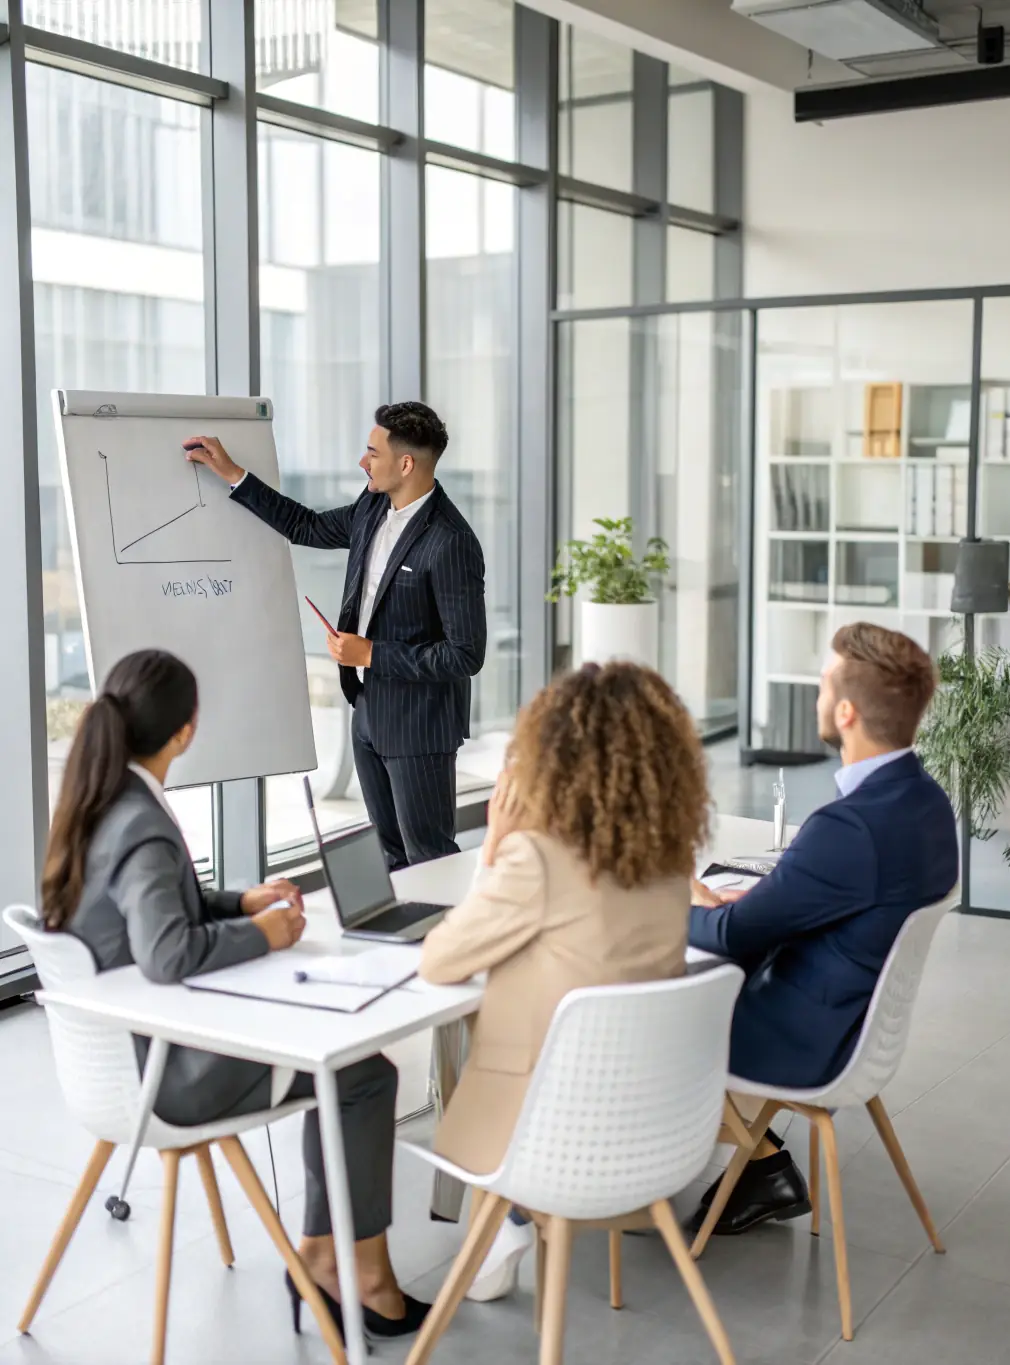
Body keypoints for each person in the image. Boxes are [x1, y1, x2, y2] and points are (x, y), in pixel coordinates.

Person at [41, 649, 429, 1340]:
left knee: (355, 1069)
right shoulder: (140, 822)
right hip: (166, 1077)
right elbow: (167, 952)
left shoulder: (104, 799)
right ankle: (346, 1269)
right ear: (186, 731)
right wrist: (263, 933)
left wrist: (239, 901)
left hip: (124, 1061)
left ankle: (340, 1262)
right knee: (362, 1074)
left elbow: (159, 905)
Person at [418, 660, 711, 1301]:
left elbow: (440, 960)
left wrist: (496, 844)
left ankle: (508, 1218)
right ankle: (511, 1221)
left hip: (546, 1137)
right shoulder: (671, 864)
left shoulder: (536, 860)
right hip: (651, 1129)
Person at [688, 623, 958, 1237]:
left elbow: (731, 938)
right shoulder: (925, 801)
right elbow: (842, 899)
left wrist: (668, 908)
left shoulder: (850, 825)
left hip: (808, 1039)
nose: (816, 696)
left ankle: (626, 1181)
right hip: (861, 1028)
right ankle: (762, 1165)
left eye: (822, 684)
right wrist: (755, 902)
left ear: (845, 711)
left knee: (656, 1011)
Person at [184, 401, 486, 870]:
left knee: (430, 858)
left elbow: (465, 654)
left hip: (419, 727)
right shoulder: (372, 506)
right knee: (391, 857)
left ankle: (454, 922)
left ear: (406, 464)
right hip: (367, 712)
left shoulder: (450, 541)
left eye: (373, 453)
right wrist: (234, 475)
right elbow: (306, 526)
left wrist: (372, 654)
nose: (362, 462)